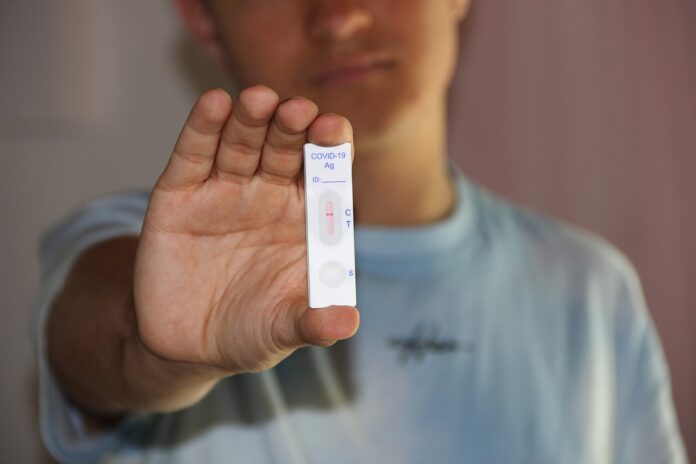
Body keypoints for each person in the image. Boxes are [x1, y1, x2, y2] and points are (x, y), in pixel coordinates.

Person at [34, 0, 687, 463]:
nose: (338, 18)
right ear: (205, 22)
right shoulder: (150, 247)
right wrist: (157, 352)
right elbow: (98, 338)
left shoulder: (593, 288)